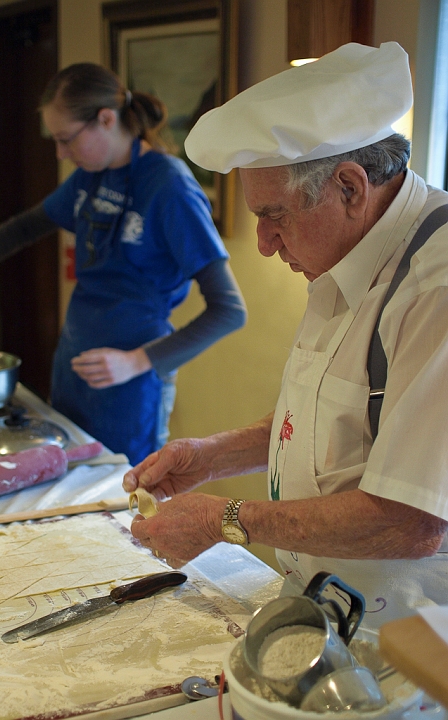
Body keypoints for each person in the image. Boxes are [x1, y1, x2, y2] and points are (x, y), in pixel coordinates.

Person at [123, 41, 448, 629]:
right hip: (324, 605)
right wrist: (211, 455)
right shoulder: (347, 252)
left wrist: (223, 520)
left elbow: (412, 520)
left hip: (407, 643)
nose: (266, 243)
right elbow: (336, 417)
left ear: (350, 188)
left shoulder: (435, 289)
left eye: (275, 215)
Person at [0, 63, 247, 465]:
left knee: (122, 502)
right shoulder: (90, 176)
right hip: (73, 367)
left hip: (131, 381)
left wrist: (138, 361)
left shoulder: (169, 186)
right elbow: (29, 225)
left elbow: (230, 311)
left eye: (66, 140)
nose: (61, 154)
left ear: (106, 119)